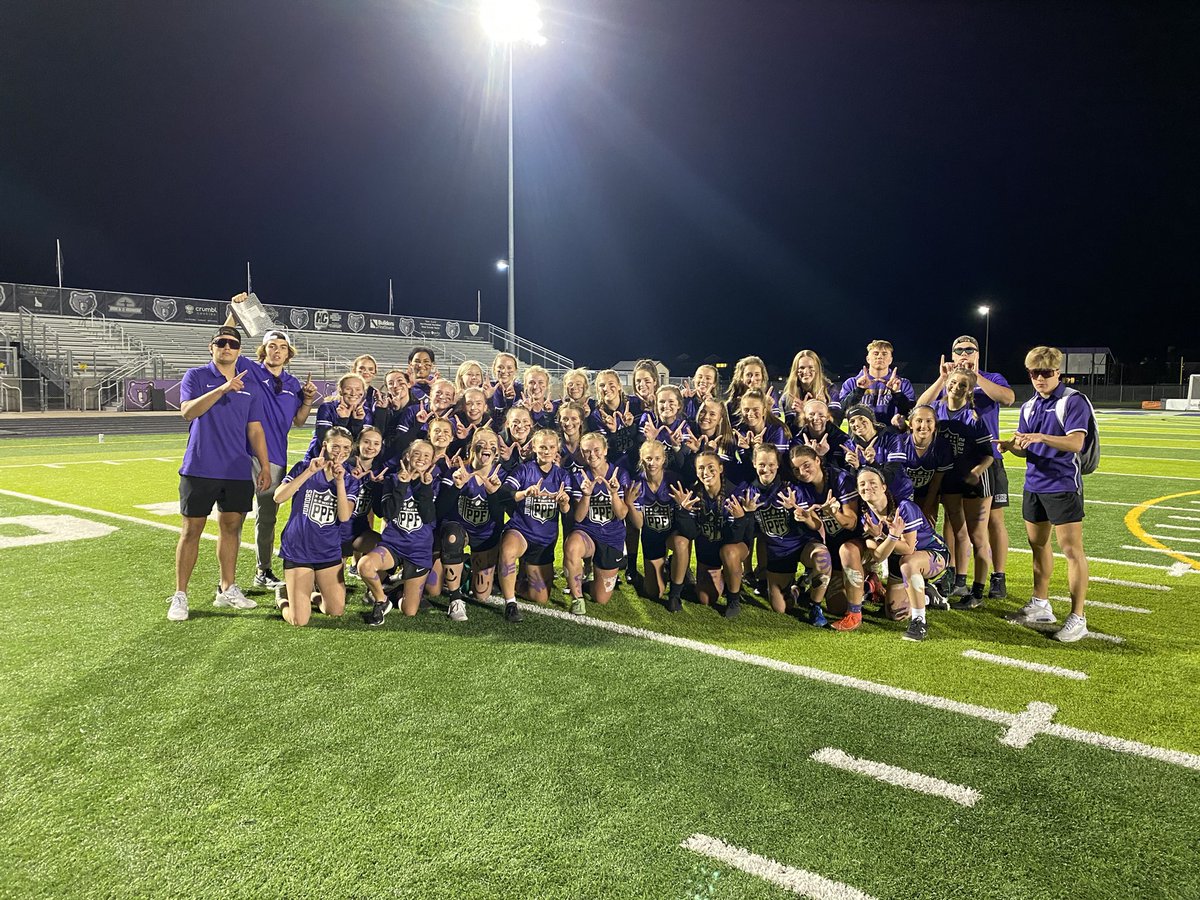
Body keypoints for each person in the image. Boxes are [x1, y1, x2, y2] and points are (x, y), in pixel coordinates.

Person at [167, 325, 272, 621]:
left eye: (233, 344)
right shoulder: (196, 376)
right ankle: (180, 595)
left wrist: (263, 465)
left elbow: (255, 429)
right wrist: (223, 388)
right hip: (200, 466)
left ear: (239, 350)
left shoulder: (251, 384)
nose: (227, 347)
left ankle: (227, 589)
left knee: (231, 529)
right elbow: (188, 411)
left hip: (237, 469)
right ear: (211, 347)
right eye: (221, 343)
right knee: (191, 531)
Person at [996, 346, 1091, 643]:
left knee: (1072, 551)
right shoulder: (1030, 406)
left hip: (1062, 484)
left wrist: (1040, 437)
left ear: (1058, 373)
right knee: (1038, 546)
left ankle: (1078, 617)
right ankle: (1041, 604)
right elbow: (1026, 448)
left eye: (1046, 373)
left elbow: (1076, 443)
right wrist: (1009, 446)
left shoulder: (1073, 401)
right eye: (1034, 373)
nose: (1040, 378)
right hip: (1034, 484)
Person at [224, 318, 320, 590]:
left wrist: (309, 400)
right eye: (271, 346)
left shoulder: (293, 383)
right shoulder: (250, 370)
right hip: (242, 455)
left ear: (288, 354)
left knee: (267, 517)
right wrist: (236, 313)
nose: (276, 351)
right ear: (263, 350)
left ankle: (262, 570)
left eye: (282, 347)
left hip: (275, 457)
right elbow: (227, 344)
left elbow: (299, 421)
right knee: (235, 516)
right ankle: (227, 581)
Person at [918, 335, 1016, 600]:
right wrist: (943, 379)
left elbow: (1007, 398)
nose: (963, 353)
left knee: (992, 522)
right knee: (953, 522)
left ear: (977, 353)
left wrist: (973, 377)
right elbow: (921, 408)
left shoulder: (990, 377)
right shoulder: (947, 383)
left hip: (986, 460)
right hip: (951, 464)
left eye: (969, 350)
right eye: (958, 350)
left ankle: (997, 577)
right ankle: (954, 574)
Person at [272, 427, 357, 627]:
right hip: (298, 548)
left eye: (346, 447)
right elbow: (279, 496)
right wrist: (309, 472)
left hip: (327, 550)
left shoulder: (350, 479)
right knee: (299, 620)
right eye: (336, 446)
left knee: (335, 610)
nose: (341, 451)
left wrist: (339, 482)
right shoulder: (305, 466)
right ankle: (282, 598)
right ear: (325, 445)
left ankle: (309, 595)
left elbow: (344, 516)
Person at [855, 466, 950, 642]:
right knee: (895, 613)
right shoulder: (866, 518)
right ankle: (928, 595)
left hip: (930, 552)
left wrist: (884, 536)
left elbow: (908, 548)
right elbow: (878, 556)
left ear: (884, 487)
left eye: (872, 482)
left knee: (908, 563)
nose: (867, 487)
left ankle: (919, 622)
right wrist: (883, 535)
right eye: (862, 484)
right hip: (896, 558)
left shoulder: (904, 507)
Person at [931, 369, 995, 607]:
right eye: (953, 382)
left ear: (969, 390)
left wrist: (975, 473)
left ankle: (977, 593)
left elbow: (989, 456)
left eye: (963, 385)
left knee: (978, 536)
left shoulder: (973, 417)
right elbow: (918, 409)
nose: (956, 387)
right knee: (958, 532)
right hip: (949, 480)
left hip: (974, 481)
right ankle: (958, 580)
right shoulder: (936, 410)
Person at [359, 440, 439, 626]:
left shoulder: (434, 482)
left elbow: (428, 517)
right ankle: (381, 599)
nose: (421, 458)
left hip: (419, 550)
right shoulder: (392, 479)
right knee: (365, 566)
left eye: (426, 455)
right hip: (393, 545)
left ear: (432, 461)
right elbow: (389, 514)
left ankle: (395, 592)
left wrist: (425, 487)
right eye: (417, 454)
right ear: (408, 456)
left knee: (409, 611)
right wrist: (402, 485)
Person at [497, 429, 573, 622]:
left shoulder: (562, 475)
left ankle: (515, 582)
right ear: (534, 448)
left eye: (551, 447)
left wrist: (563, 502)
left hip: (545, 540)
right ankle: (510, 604)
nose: (547, 451)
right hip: (521, 530)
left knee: (540, 598)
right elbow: (505, 492)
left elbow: (566, 511)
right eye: (542, 447)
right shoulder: (524, 469)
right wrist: (524, 493)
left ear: (558, 449)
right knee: (507, 551)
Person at [437, 429, 508, 621]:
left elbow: (499, 520)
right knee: (453, 537)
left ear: (497, 452)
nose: (486, 446)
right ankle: (455, 599)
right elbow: (439, 511)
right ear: (471, 448)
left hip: (485, 534)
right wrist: (456, 487)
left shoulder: (503, 476)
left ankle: (465, 566)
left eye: (491, 443)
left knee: (481, 594)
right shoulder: (456, 472)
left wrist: (493, 493)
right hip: (459, 530)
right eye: (481, 442)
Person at [673, 449, 753, 617]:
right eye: (701, 468)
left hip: (734, 547)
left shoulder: (735, 493)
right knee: (705, 598)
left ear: (721, 468)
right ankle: (727, 575)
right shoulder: (693, 494)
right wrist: (683, 512)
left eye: (711, 467)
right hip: (708, 552)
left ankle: (734, 600)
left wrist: (740, 519)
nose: (706, 472)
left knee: (729, 551)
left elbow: (736, 538)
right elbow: (692, 533)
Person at [563, 433, 631, 615]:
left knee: (600, 598)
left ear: (605, 450)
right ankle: (577, 598)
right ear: (582, 454)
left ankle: (590, 573)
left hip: (612, 537)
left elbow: (623, 513)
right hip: (587, 533)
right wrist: (586, 494)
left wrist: (614, 494)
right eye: (586, 451)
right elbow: (578, 518)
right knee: (572, 547)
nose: (592, 455)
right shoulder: (578, 477)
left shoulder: (620, 474)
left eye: (596, 450)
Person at [627, 439, 693, 611]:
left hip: (671, 535)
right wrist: (629, 504)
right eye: (648, 458)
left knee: (681, 543)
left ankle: (675, 594)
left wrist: (681, 505)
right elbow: (639, 523)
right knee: (654, 592)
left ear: (664, 459)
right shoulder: (636, 484)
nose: (652, 463)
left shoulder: (674, 480)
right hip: (651, 537)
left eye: (657, 458)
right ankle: (668, 568)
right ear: (641, 459)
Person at [834, 339, 915, 427]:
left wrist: (897, 393)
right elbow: (841, 411)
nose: (880, 357)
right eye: (876, 353)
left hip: (892, 436)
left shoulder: (903, 383)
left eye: (884, 354)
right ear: (868, 359)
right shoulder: (851, 382)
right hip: (860, 436)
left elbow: (910, 413)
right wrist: (859, 390)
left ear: (891, 360)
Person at [305, 372, 368, 461]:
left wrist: (357, 423)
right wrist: (342, 420)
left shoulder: (366, 412)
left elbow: (362, 446)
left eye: (358, 389)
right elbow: (324, 441)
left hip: (348, 463)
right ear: (340, 391)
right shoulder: (327, 407)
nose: (353, 393)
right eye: (348, 389)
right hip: (319, 460)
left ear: (363, 392)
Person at [781, 350, 834, 430]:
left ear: (817, 369)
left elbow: (836, 425)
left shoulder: (829, 390)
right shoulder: (789, 396)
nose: (805, 372)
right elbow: (790, 432)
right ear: (795, 371)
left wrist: (823, 407)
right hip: (800, 441)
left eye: (810, 367)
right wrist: (800, 415)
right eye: (801, 368)